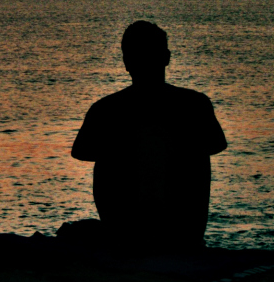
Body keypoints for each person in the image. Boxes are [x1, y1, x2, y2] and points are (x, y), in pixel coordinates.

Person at [71, 21, 227, 252]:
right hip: (182, 232)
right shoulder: (194, 104)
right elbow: (215, 144)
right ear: (166, 57)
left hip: (130, 231)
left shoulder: (106, 109)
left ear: (126, 63)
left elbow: (82, 151)